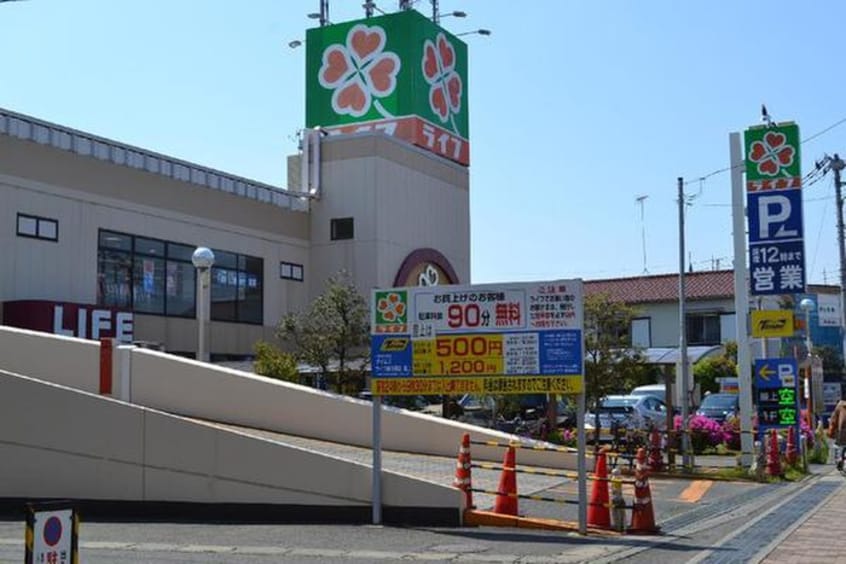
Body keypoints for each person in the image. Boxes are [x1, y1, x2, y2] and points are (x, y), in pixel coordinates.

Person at [827, 393, 846, 471]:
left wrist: (831, 432)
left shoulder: (840, 405)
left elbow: (833, 421)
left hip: (842, 432)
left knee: (840, 445)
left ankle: (840, 458)